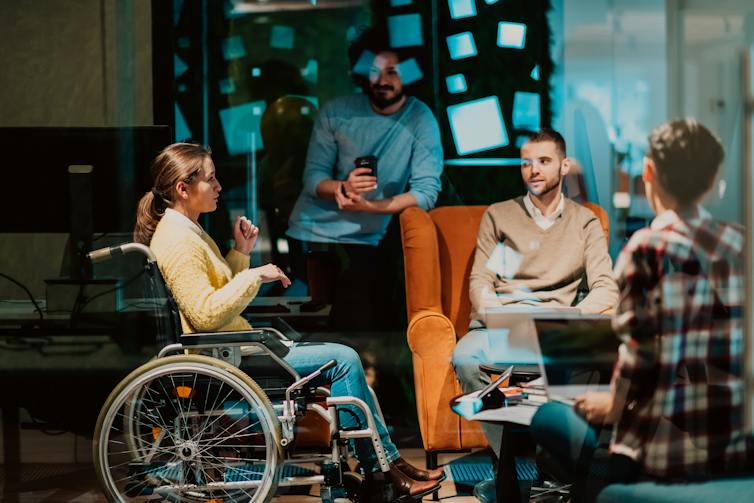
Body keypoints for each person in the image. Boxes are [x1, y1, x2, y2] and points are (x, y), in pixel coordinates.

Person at [133, 142, 444, 498]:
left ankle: (388, 466)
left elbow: (214, 293)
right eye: (211, 179)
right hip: (229, 358)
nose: (219, 186)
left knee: (348, 367)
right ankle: (380, 472)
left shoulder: (186, 230)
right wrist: (255, 275)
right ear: (183, 189)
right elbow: (205, 316)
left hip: (235, 351)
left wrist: (241, 254)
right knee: (343, 360)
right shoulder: (178, 241)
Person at [530, 119, 754, 502]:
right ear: (715, 178)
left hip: (663, 449)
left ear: (649, 172)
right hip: (736, 437)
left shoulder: (647, 247)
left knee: (546, 417)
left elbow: (639, 355)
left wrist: (612, 404)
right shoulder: (740, 242)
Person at [450, 128, 619, 502]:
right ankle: (505, 465)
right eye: (526, 162)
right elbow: (481, 279)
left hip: (556, 323)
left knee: (599, 355)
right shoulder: (500, 216)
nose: (534, 170)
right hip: (504, 318)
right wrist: (493, 310)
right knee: (465, 358)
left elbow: (606, 287)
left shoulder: (584, 221)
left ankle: (560, 471)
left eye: (543, 161)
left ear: (564, 165)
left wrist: (570, 317)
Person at [285, 27, 443, 330]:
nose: (383, 80)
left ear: (409, 73)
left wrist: (374, 207)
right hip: (310, 233)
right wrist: (340, 187)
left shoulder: (420, 118)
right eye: (375, 71)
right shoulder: (337, 111)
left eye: (393, 72)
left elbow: (426, 192)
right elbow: (313, 177)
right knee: (306, 330)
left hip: (365, 240)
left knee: (357, 326)